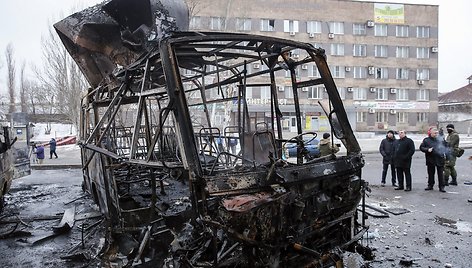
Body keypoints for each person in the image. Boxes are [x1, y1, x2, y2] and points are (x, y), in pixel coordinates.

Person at [420, 127, 447, 192]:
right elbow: (421, 147)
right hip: (430, 159)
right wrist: (427, 150)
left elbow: (446, 147)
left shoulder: (441, 140)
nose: (436, 134)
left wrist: (444, 141)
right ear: (430, 133)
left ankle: (441, 186)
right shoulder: (426, 140)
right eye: (434, 133)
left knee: (440, 174)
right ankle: (430, 185)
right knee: (431, 173)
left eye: (437, 133)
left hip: (440, 159)